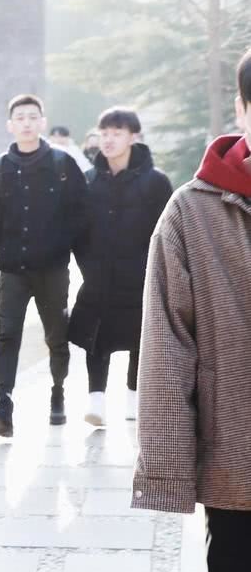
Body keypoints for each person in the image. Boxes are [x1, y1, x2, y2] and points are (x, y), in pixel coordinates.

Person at [134, 50, 251, 572]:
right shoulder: (193, 211)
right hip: (237, 452)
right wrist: (171, 467)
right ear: (241, 110)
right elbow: (166, 346)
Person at [0, 94, 89, 437]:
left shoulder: (62, 164)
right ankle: (4, 406)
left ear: (42, 122)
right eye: (20, 118)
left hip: (52, 270)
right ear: (10, 125)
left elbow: (81, 215)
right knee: (7, 335)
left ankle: (58, 392)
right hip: (12, 271)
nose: (26, 123)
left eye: (32, 117)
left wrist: (77, 258)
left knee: (56, 335)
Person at [68, 108, 172, 428]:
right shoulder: (88, 181)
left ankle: (133, 396)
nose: (109, 140)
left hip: (141, 276)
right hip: (98, 275)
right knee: (96, 335)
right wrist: (89, 265)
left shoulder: (155, 182)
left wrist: (152, 269)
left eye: (117, 133)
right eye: (104, 133)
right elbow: (77, 230)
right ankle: (95, 399)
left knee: (140, 336)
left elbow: (166, 231)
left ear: (133, 137)